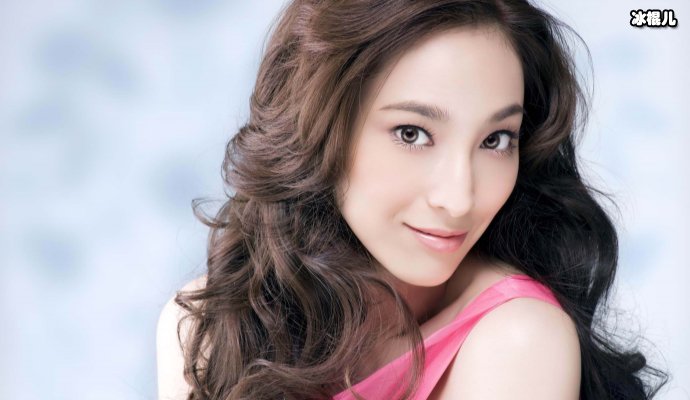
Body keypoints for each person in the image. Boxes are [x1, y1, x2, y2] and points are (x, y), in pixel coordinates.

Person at [156, 1, 669, 399]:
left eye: (496, 140)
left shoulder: (519, 339)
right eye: (412, 133)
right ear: (319, 126)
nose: (459, 198)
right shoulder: (207, 325)